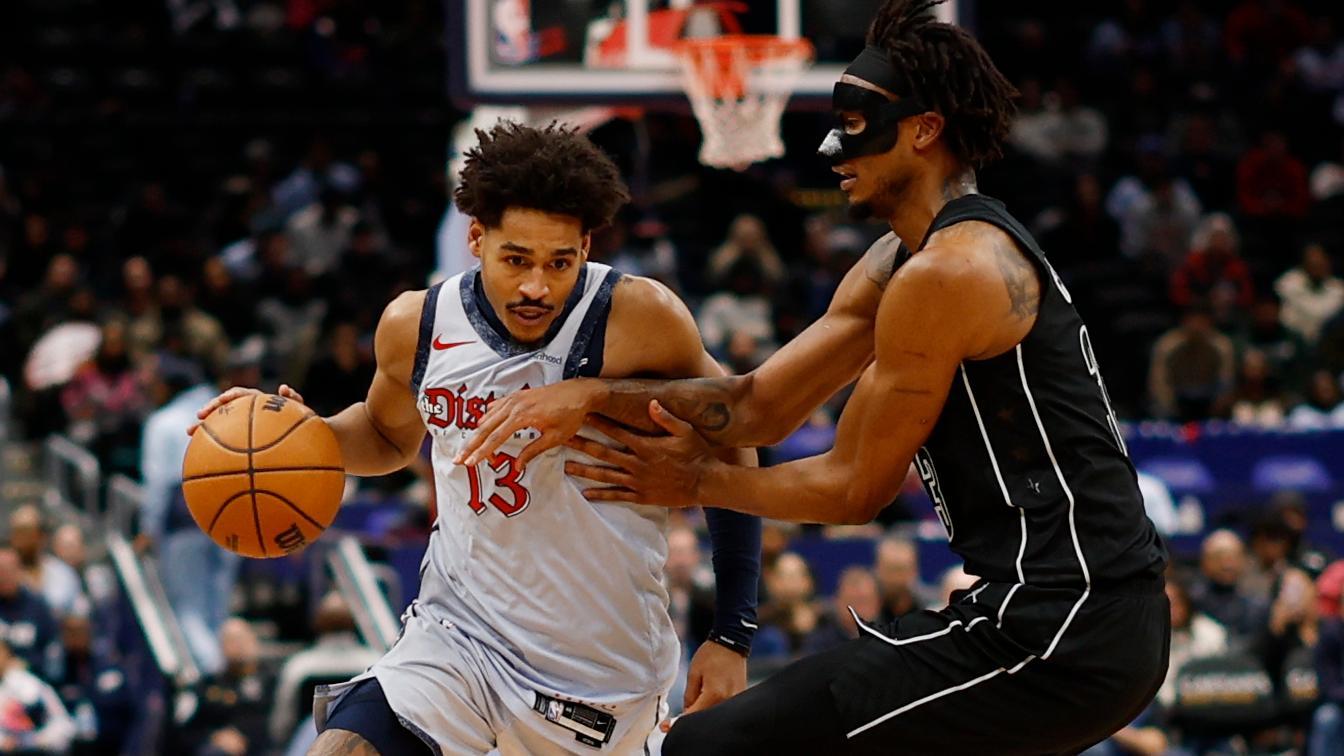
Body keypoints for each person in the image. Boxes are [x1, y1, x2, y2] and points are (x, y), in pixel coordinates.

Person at [461, 2, 1170, 752]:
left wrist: (695, 483)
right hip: (1043, 613)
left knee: (711, 747)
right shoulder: (902, 260)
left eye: (857, 126)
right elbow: (756, 407)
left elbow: (856, 488)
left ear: (924, 130)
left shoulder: (952, 274)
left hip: (1070, 628)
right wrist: (595, 394)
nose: (832, 148)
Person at [192, 121, 761, 755]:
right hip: (459, 635)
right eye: (516, 259)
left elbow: (735, 432)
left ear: (587, 245)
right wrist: (303, 437)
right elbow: (385, 435)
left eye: (559, 262)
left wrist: (733, 629)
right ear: (476, 239)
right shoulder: (419, 323)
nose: (536, 287)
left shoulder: (640, 318)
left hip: (600, 669)